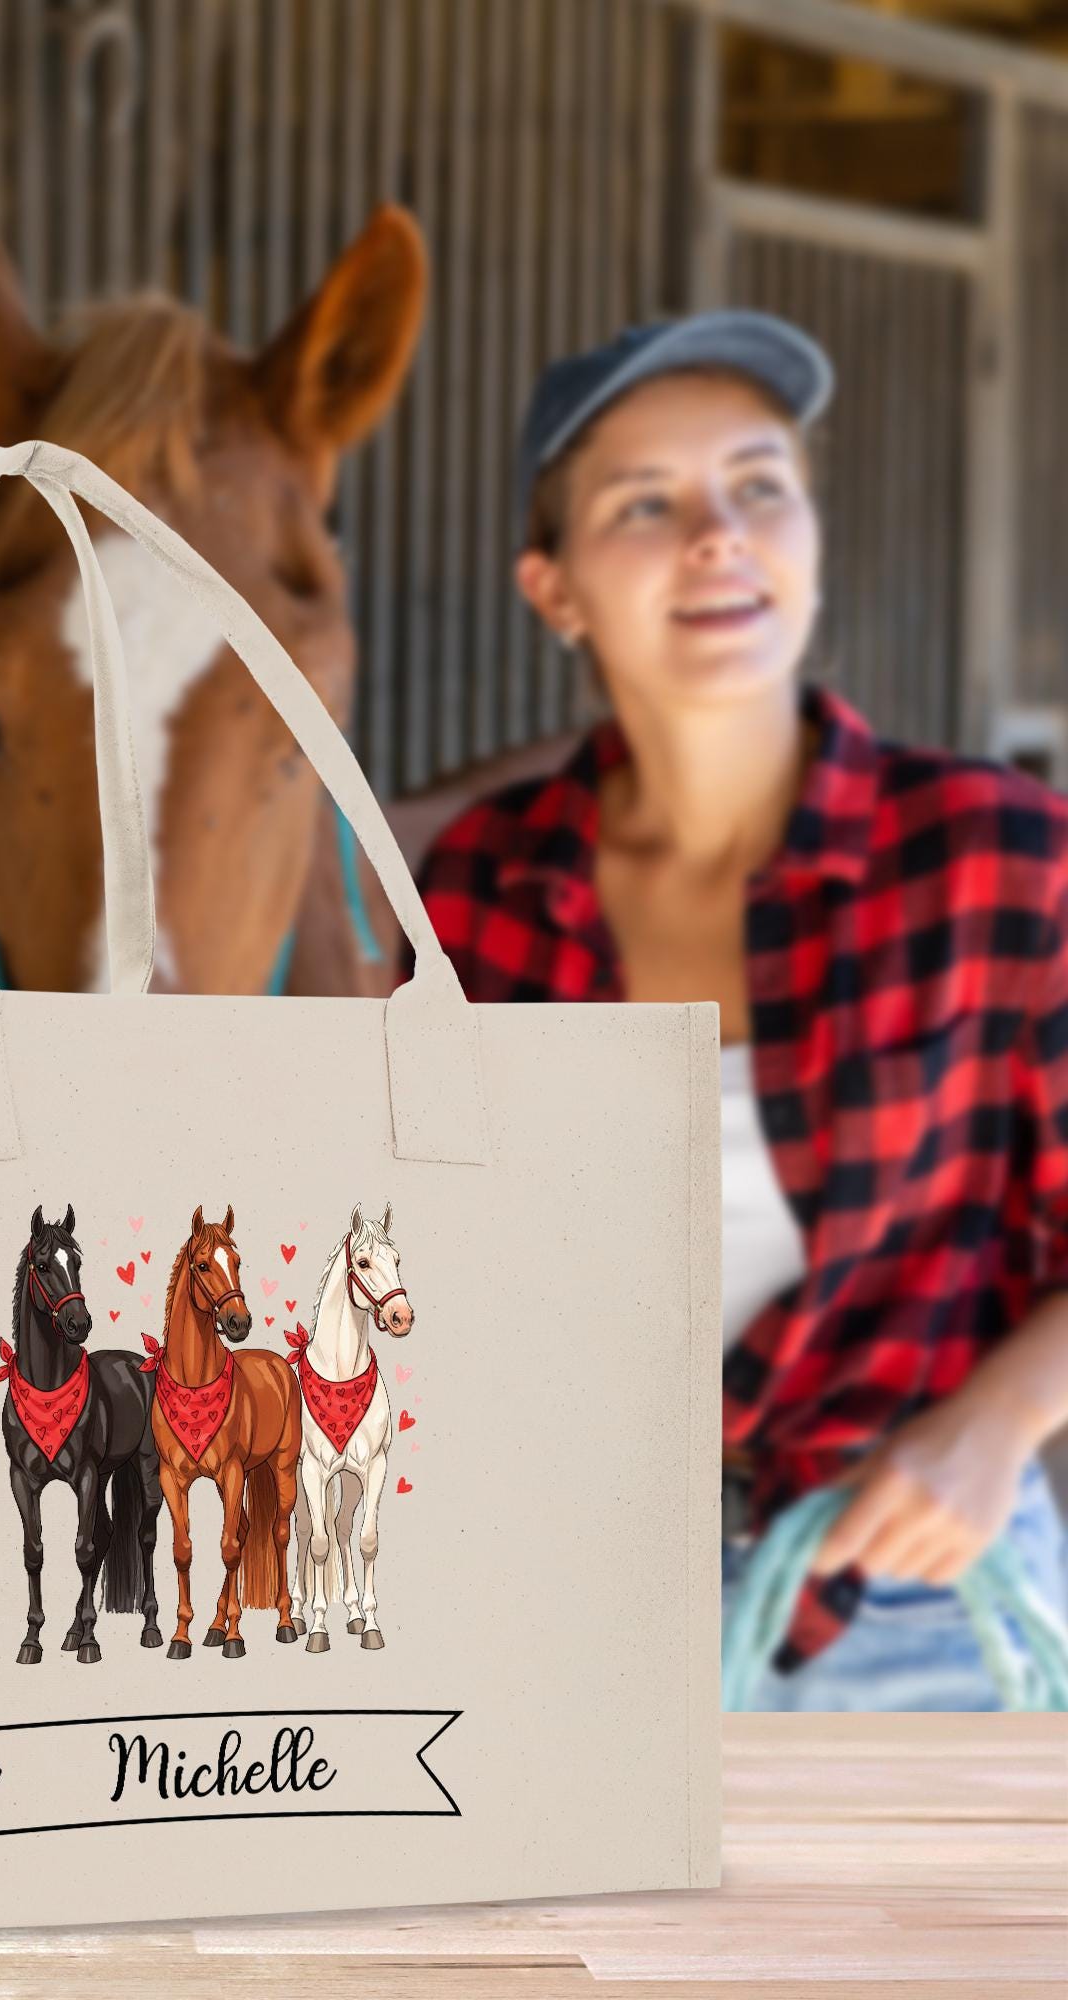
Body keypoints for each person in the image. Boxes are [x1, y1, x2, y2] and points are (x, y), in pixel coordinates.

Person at [407, 310, 1068, 1709]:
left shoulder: (1001, 859)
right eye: (644, 504)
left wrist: (995, 1427)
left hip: (924, 1604)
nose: (717, 532)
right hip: (574, 1604)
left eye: (758, 484)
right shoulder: (477, 890)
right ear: (557, 588)